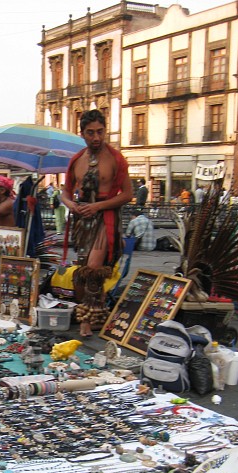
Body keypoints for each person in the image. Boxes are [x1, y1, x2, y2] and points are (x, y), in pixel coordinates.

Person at [61, 109, 133, 337]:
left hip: (106, 219)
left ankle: (86, 321)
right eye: (90, 133)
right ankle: (96, 314)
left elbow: (127, 194)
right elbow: (65, 192)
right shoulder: (76, 160)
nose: (96, 137)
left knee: (93, 268)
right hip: (83, 220)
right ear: (82, 133)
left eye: (100, 132)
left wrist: (98, 207)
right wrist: (71, 205)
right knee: (83, 271)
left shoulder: (116, 158)